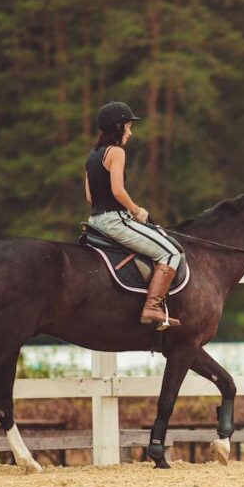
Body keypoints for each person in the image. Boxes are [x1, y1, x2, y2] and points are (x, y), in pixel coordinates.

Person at [85, 101, 183, 329]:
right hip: (114, 221)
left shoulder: (92, 155)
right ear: (118, 127)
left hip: (94, 222)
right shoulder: (116, 152)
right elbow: (118, 191)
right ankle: (153, 307)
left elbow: (90, 196)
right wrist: (137, 210)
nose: (130, 132)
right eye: (128, 127)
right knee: (171, 253)